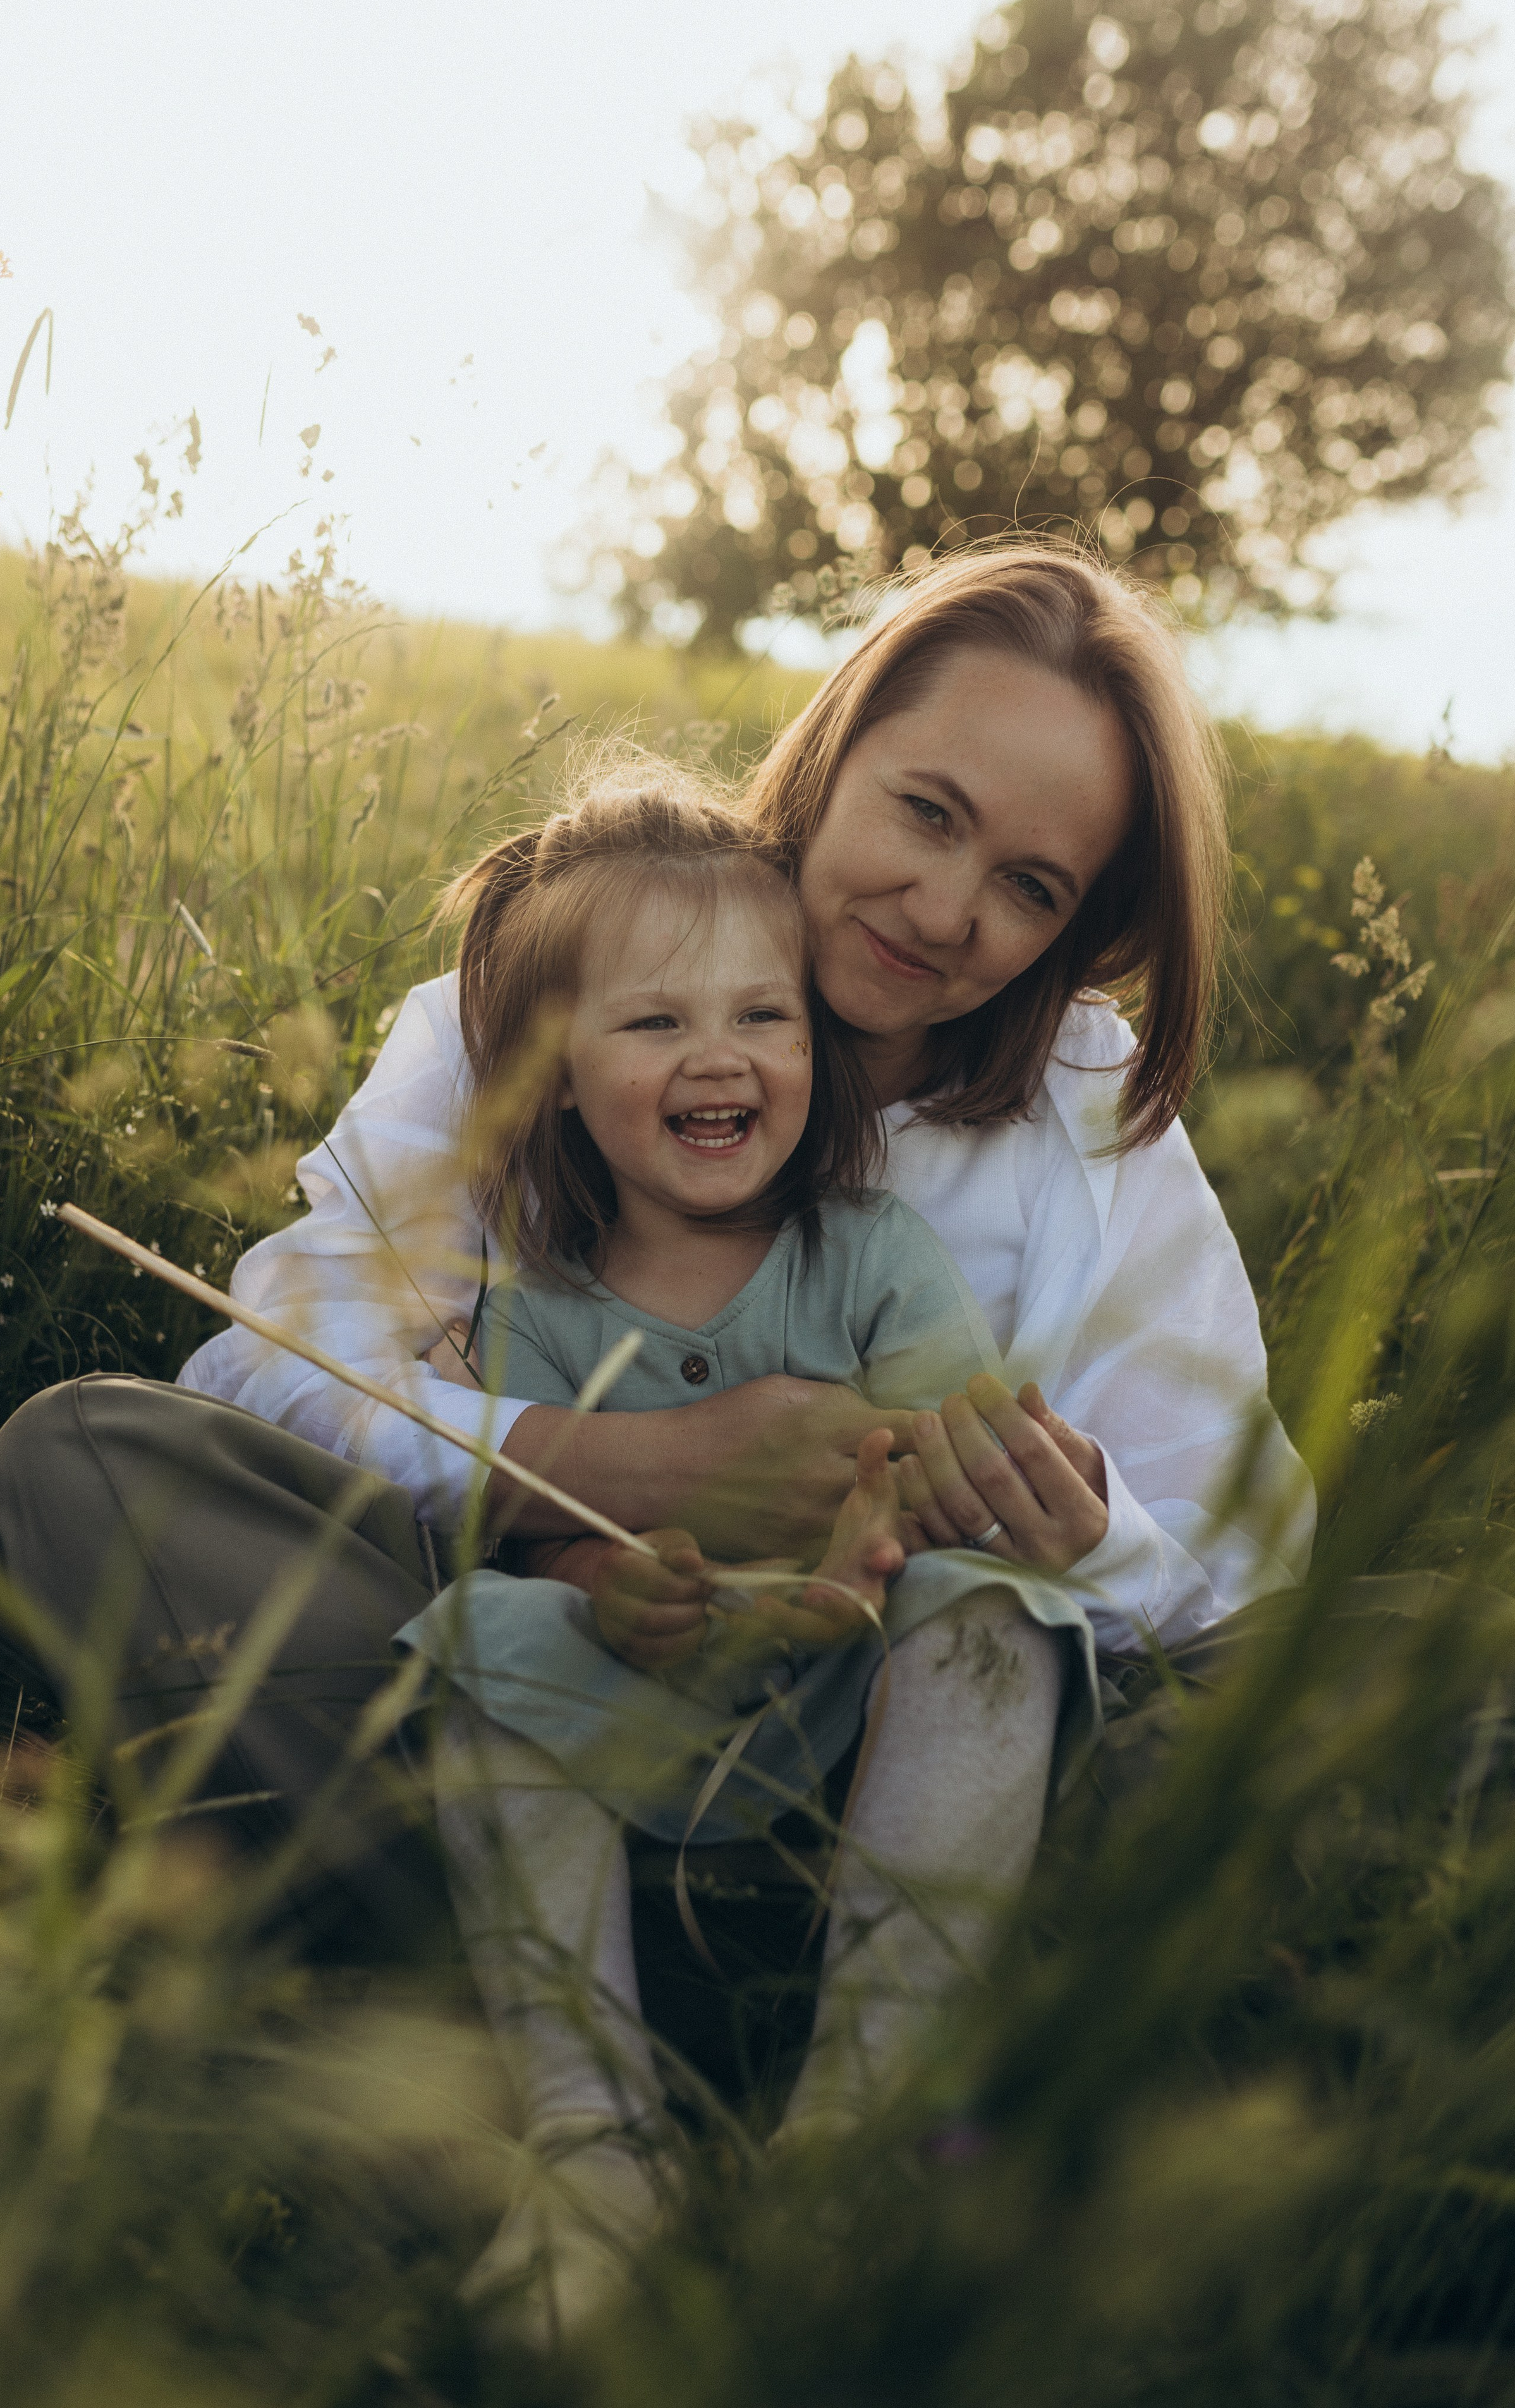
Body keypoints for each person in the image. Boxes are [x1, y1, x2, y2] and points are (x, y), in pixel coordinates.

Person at [0, 542, 1312, 1985]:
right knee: (85, 1453)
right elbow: (272, 1363)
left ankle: (538, 1964)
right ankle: (637, 1960)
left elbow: (1243, 1561)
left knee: (1441, 1667)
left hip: (915, 1742)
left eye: (1029, 886)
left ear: (1076, 925)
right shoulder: (536, 992)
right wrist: (639, 1463)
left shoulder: (1081, 1104)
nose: (941, 909)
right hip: (526, 1686)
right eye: (925, 811)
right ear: (833, 751)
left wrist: (1082, 1537)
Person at [401, 763, 1107, 2323]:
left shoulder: (864, 1255)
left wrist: (877, 1518)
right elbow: (528, 1550)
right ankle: (591, 2143)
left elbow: (944, 1454)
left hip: (845, 1703)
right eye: (653, 1024)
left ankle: (857, 2122)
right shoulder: (525, 1312)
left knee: (994, 1619)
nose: (716, 1058)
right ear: (554, 1077)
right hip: (643, 1704)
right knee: (478, 1642)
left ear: (815, 1042)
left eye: (762, 1018)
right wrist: (606, 1581)